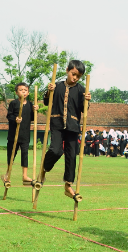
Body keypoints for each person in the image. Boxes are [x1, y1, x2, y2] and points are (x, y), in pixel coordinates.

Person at [39, 60, 91, 198]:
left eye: (78, 76)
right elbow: (46, 102)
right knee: (55, 151)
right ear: (67, 70)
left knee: (71, 156)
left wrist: (87, 101)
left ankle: (68, 185)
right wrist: (49, 92)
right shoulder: (56, 86)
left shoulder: (81, 90)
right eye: (73, 74)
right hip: (56, 123)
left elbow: (83, 109)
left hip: (73, 126)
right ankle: (44, 169)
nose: (74, 78)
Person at [3, 83, 38, 184]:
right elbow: (9, 116)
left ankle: (25, 175)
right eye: (21, 90)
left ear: (28, 92)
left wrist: (35, 111)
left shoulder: (30, 105)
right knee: (11, 155)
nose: (23, 91)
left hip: (25, 134)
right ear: (16, 92)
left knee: (25, 154)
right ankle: (7, 174)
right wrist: (15, 119)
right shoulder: (13, 103)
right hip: (13, 135)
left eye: (25, 90)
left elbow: (32, 118)